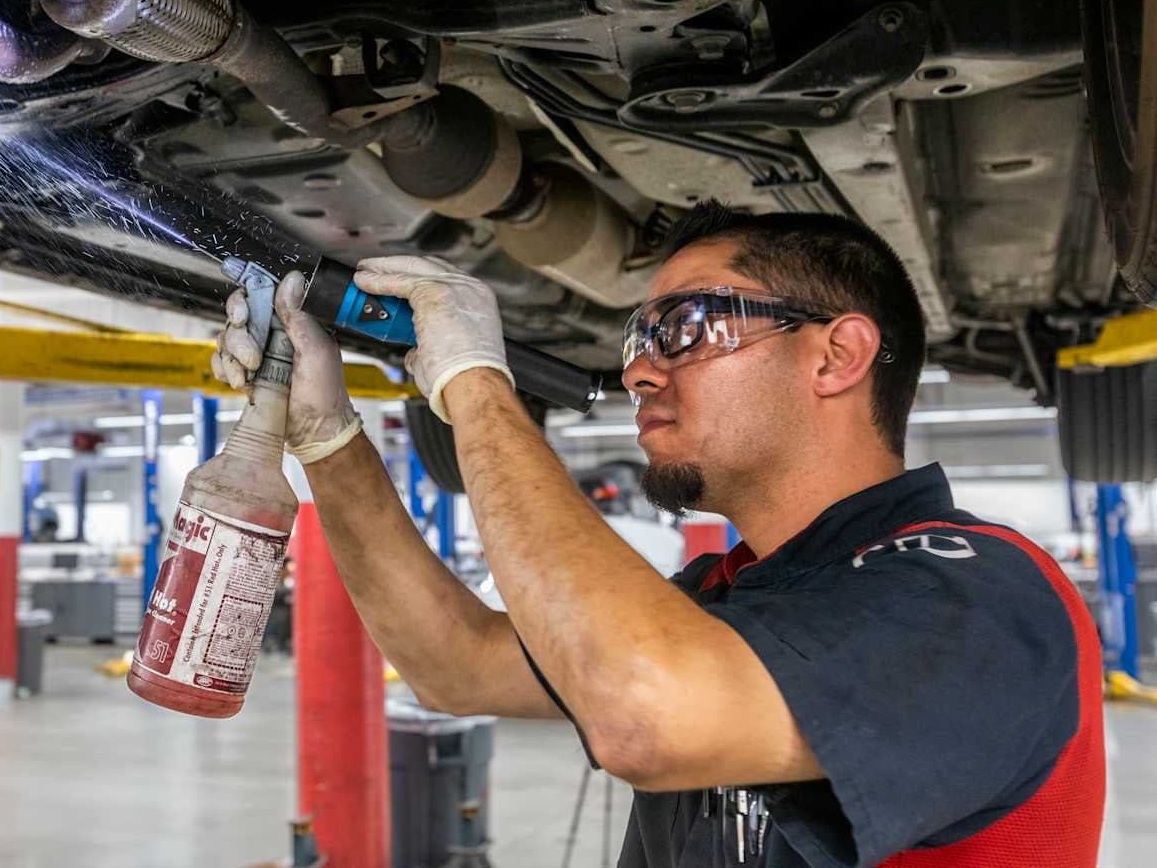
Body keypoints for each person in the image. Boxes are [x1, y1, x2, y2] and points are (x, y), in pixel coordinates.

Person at [212, 201, 1105, 867]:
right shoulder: (730, 596)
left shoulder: (980, 596)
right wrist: (327, 437)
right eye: (640, 336)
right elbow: (455, 663)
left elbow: (644, 714)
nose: (639, 369)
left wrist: (477, 383)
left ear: (837, 356)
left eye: (685, 327)